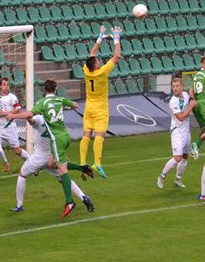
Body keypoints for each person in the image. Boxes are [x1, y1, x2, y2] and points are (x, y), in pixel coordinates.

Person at [7, 79, 82, 218]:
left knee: (61, 171)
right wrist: (64, 106)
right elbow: (76, 105)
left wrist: (13, 116)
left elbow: (30, 116)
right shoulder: (60, 99)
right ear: (56, 88)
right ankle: (82, 180)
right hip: (66, 137)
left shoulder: (41, 104)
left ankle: (69, 202)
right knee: (53, 165)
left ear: (44, 90)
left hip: (53, 142)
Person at [12, 114, 95, 213]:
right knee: (64, 179)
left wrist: (19, 115)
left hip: (39, 158)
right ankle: (84, 197)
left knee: (22, 176)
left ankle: (19, 205)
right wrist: (63, 153)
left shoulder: (39, 118)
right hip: (54, 155)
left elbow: (31, 120)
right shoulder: (57, 119)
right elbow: (61, 138)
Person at [79, 26, 123, 178]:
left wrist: (99, 39)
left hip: (88, 108)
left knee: (86, 135)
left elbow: (91, 54)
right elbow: (117, 56)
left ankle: (83, 163)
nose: (98, 60)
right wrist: (116, 38)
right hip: (100, 109)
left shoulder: (86, 70)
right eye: (97, 61)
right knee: (99, 136)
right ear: (96, 66)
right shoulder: (102, 72)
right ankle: (97, 164)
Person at [157, 78, 197, 189]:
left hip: (186, 131)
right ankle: (161, 177)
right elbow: (180, 117)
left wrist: (192, 94)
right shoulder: (173, 101)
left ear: (181, 86)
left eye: (177, 86)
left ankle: (178, 180)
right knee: (177, 158)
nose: (175, 88)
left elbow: (191, 92)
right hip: (177, 131)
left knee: (185, 157)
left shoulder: (185, 95)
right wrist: (191, 106)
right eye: (173, 86)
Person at [0, 77, 29, 161]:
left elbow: (17, 109)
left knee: (17, 151)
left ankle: (30, 161)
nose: (6, 86)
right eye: (4, 84)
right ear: (0, 86)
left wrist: (5, 113)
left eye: (7, 85)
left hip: (9, 128)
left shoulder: (12, 97)